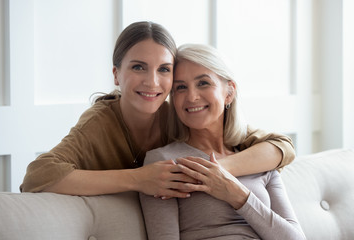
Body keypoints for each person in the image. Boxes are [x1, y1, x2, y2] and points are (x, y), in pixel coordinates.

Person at [20, 21, 295, 199]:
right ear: (116, 75)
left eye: (164, 70)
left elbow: (282, 146)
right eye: (138, 67)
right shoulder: (99, 122)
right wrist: (139, 179)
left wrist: (215, 169)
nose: (152, 82)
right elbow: (36, 176)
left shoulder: (179, 113)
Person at [139, 44, 305, 239]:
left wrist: (236, 194)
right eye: (181, 88)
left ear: (229, 93)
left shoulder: (258, 159)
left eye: (203, 83)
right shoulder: (164, 162)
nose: (192, 97)